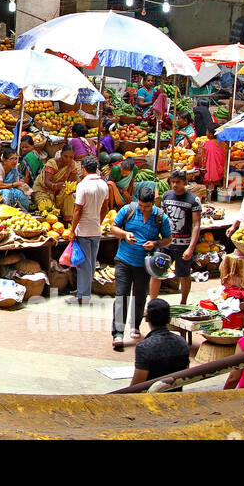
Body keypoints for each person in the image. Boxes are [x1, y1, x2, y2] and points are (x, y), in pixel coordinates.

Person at [108, 185, 173, 351]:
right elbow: (113, 228)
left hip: (144, 263)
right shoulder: (128, 210)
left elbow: (168, 239)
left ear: (153, 203)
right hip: (124, 259)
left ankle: (135, 325)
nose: (143, 209)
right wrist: (125, 235)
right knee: (121, 295)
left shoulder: (160, 217)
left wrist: (156, 243)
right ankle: (118, 333)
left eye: (147, 206)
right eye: (141, 206)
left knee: (140, 296)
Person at [156, 170, 202, 304]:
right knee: (156, 272)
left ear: (185, 183)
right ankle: (152, 302)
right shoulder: (166, 196)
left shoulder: (193, 200)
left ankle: (183, 303)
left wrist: (191, 248)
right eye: (173, 182)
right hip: (166, 244)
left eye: (178, 182)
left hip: (183, 245)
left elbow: (196, 225)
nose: (175, 185)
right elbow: (161, 218)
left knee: (184, 274)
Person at [68, 156, 108, 305]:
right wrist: (98, 221)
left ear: (83, 169)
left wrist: (72, 230)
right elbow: (105, 208)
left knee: (84, 264)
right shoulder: (103, 184)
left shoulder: (82, 186)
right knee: (90, 262)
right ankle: (84, 291)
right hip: (96, 229)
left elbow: (78, 209)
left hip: (83, 230)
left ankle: (83, 295)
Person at [129, 298, 190, 387]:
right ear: (169, 320)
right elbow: (186, 373)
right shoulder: (182, 342)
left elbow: (136, 386)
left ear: (147, 319)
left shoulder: (144, 347)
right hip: (175, 395)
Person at [34, 145, 77, 220]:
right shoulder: (52, 163)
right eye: (65, 156)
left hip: (59, 192)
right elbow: (47, 181)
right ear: (61, 154)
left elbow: (70, 183)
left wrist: (71, 189)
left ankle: (68, 222)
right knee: (48, 210)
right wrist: (56, 186)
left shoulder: (73, 166)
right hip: (43, 190)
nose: (68, 159)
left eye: (71, 157)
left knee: (69, 196)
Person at [196, 128, 229, 197]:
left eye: (207, 132)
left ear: (211, 134)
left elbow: (199, 159)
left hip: (209, 171)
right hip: (221, 170)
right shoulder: (224, 144)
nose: (206, 133)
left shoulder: (206, 143)